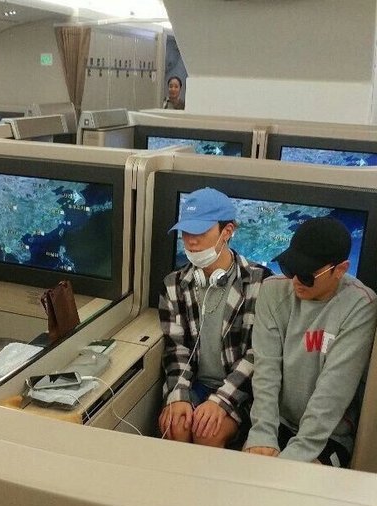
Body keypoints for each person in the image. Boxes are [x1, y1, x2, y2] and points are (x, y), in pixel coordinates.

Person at [245, 217, 377, 466]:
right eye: (290, 268)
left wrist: (295, 456)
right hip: (277, 422)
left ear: (340, 269)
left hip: (329, 434)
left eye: (307, 275)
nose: (296, 280)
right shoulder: (272, 291)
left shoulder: (361, 305)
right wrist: (262, 434)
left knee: (293, 485)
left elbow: (334, 390)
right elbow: (266, 370)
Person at [158, 188, 271, 447]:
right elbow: (176, 349)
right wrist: (179, 394)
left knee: (208, 433)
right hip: (195, 382)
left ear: (227, 231)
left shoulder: (260, 282)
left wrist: (221, 400)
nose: (191, 242)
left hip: (241, 390)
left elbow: (258, 354)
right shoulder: (173, 284)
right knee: (175, 427)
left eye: (199, 232)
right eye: (186, 232)